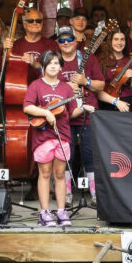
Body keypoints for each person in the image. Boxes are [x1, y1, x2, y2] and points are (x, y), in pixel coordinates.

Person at [24, 50, 79, 226]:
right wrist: (46, 113)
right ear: (44, 66)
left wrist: (84, 107)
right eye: (50, 63)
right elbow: (27, 107)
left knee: (60, 174)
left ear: (61, 66)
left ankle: (62, 211)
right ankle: (45, 213)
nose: (54, 66)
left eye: (57, 63)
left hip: (62, 134)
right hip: (43, 136)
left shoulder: (66, 88)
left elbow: (71, 112)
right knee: (45, 173)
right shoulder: (36, 85)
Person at [56, 27, 104, 205]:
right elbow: (46, 85)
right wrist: (67, 86)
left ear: (76, 41)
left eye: (69, 39)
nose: (66, 42)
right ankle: (66, 194)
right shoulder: (54, 60)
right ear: (57, 43)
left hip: (87, 115)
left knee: (90, 155)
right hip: (63, 116)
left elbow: (101, 86)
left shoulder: (88, 58)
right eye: (62, 40)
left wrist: (86, 81)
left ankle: (95, 194)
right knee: (66, 156)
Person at [3, 8, 60, 78]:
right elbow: (6, 70)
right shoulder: (15, 45)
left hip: (45, 87)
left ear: (42, 24)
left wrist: (35, 64)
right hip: (19, 87)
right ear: (24, 24)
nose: (35, 23)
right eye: (30, 21)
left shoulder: (52, 44)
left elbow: (57, 72)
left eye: (38, 21)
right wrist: (5, 51)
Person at [98, 30, 132, 112]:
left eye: (122, 39)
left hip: (128, 102)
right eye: (116, 39)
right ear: (110, 41)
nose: (119, 42)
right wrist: (116, 102)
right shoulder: (101, 61)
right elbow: (97, 89)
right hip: (107, 102)